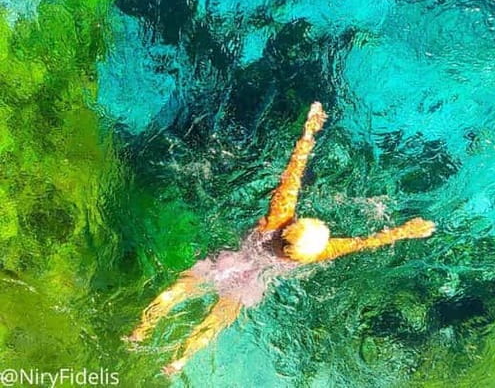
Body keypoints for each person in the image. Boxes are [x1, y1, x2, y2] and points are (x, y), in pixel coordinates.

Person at [127, 102, 436, 375]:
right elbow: (361, 240)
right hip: (250, 281)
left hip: (232, 262)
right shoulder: (313, 246)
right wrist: (405, 231)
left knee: (179, 293)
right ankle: (172, 356)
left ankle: (146, 334)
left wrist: (309, 131)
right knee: (212, 320)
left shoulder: (282, 222)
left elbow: (295, 176)